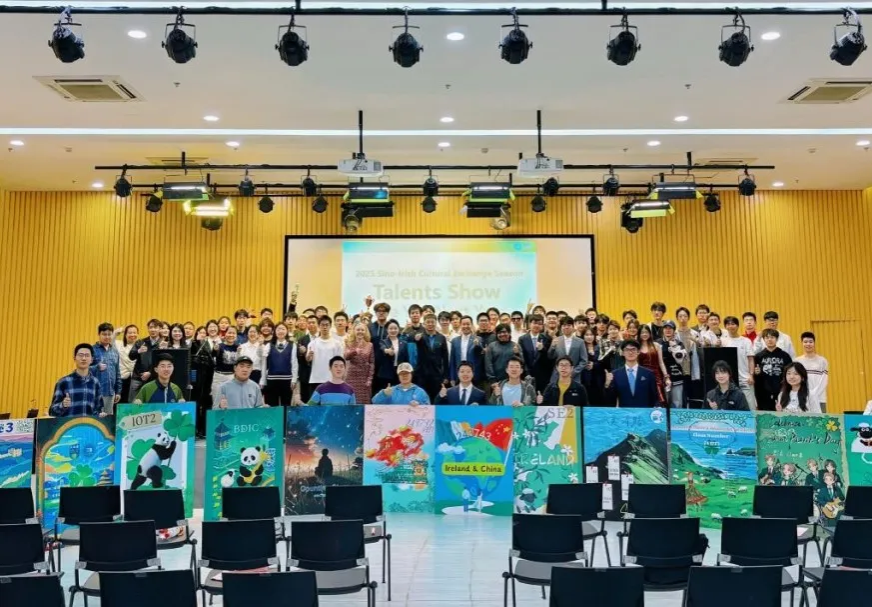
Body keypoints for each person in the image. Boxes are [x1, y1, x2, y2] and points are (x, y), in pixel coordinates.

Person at [50, 343, 104, 416]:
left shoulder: (95, 383)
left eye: (87, 355)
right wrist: (62, 405)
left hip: (89, 423)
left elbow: (98, 409)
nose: (84, 358)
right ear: (74, 358)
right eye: (80, 355)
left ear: (91, 360)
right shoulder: (63, 382)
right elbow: (52, 412)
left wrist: (101, 415)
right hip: (69, 423)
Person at [604, 340, 659, 407]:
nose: (630, 352)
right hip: (624, 412)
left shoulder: (648, 373)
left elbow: (655, 398)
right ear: (623, 353)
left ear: (638, 352)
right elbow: (610, 400)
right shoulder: (615, 374)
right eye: (627, 350)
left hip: (644, 411)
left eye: (633, 349)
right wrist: (607, 384)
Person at [721, 316, 757, 410]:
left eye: (733, 324)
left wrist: (751, 375)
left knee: (750, 405)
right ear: (725, 326)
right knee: (731, 405)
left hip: (745, 378)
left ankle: (751, 420)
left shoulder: (746, 341)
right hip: (729, 379)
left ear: (737, 326)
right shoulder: (722, 341)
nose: (731, 326)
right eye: (728, 324)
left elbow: (751, 359)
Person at [754, 329, 793, 411]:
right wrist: (756, 373)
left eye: (772, 337)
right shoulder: (758, 356)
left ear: (777, 339)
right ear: (763, 339)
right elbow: (754, 375)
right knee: (765, 415)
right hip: (763, 392)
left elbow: (790, 373)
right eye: (767, 337)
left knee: (782, 415)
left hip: (781, 391)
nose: (770, 340)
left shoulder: (785, 356)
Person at [306, 316, 345, 397]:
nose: (324, 327)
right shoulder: (313, 343)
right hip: (315, 379)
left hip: (332, 379)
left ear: (330, 326)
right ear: (319, 326)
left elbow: (340, 362)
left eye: (327, 325)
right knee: (315, 404)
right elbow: (308, 359)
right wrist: (309, 357)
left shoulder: (337, 343)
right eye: (322, 325)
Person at [261, 322, 298, 407]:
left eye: (283, 329)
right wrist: (263, 380)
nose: (281, 331)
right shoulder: (268, 345)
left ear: (287, 331)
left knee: (286, 407)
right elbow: (264, 364)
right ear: (274, 331)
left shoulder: (292, 345)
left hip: (287, 380)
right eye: (278, 329)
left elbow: (294, 363)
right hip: (271, 380)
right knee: (272, 407)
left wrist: (294, 379)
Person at [415, 313, 450, 401]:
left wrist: (446, 376)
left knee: (436, 399)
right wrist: (416, 339)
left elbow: (445, 358)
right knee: (422, 399)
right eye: (428, 322)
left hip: (437, 375)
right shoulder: (420, 337)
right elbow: (413, 340)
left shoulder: (441, 338)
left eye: (432, 322)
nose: (430, 324)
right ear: (424, 324)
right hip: (422, 375)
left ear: (436, 323)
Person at [128, 318, 162, 402]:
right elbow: (131, 356)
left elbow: (163, 362)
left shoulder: (163, 343)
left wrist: (150, 372)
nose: (153, 329)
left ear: (160, 329)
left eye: (155, 327)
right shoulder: (141, 342)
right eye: (150, 327)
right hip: (137, 378)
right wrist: (138, 351)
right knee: (133, 403)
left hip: (154, 378)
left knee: (151, 403)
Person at [795, 331, 829, 413]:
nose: (808, 344)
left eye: (810, 342)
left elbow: (824, 380)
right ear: (802, 343)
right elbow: (795, 380)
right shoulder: (797, 361)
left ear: (814, 343)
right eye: (805, 342)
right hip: (802, 397)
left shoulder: (822, 361)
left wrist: (814, 394)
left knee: (821, 420)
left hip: (819, 398)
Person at [518, 313, 553, 392]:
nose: (537, 325)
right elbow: (522, 358)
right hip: (527, 375)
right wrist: (527, 373)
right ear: (529, 324)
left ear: (542, 326)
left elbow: (549, 359)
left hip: (543, 375)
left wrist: (542, 349)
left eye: (539, 323)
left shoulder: (547, 339)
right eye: (534, 323)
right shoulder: (522, 339)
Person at [92, 322, 121, 413]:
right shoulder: (92, 350)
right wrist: (97, 367)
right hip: (95, 392)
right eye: (104, 334)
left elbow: (118, 373)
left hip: (110, 393)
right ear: (99, 334)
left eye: (109, 334)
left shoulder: (115, 351)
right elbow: (84, 370)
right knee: (95, 418)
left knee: (108, 419)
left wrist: (118, 392)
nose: (107, 337)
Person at [658, 321, 688, 409]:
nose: (668, 330)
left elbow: (681, 360)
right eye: (665, 328)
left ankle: (677, 419)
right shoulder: (657, 343)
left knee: (677, 404)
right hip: (662, 378)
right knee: (663, 404)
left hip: (677, 377)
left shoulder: (679, 343)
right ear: (662, 330)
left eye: (670, 328)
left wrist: (675, 348)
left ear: (674, 330)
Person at [548, 317, 587, 383]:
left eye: (569, 325)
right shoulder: (556, 340)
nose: (566, 327)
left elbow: (584, 361)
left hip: (574, 377)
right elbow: (550, 357)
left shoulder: (580, 342)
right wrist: (553, 347)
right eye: (564, 325)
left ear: (573, 327)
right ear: (561, 327)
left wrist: (573, 372)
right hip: (557, 376)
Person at [449, 316, 485, 387]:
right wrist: (452, 377)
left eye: (468, 324)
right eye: (463, 324)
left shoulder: (478, 339)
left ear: (471, 325)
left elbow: (481, 353)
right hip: (459, 374)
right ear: (460, 325)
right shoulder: (454, 341)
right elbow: (452, 361)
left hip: (474, 375)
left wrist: (477, 344)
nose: (466, 326)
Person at [638, 324, 669, 404]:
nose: (644, 334)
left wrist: (666, 377)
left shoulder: (656, 345)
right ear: (639, 334)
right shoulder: (637, 347)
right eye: (642, 332)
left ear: (650, 333)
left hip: (656, 376)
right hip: (642, 376)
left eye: (646, 332)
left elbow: (661, 363)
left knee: (659, 399)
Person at [345, 322, 374, 403]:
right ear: (354, 331)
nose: (360, 332)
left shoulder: (370, 345)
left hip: (364, 377)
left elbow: (372, 363)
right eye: (358, 330)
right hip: (351, 376)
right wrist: (354, 351)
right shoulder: (349, 343)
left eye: (362, 330)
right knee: (351, 400)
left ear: (365, 332)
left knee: (364, 401)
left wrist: (370, 379)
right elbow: (346, 356)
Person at [376, 320, 408, 391]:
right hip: (386, 374)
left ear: (398, 329)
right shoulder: (383, 341)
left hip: (399, 373)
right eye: (390, 328)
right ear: (387, 330)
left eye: (395, 328)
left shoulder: (404, 343)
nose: (393, 330)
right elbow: (382, 348)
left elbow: (406, 359)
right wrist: (387, 351)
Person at [211, 326, 239, 407]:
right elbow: (213, 354)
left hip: (232, 377)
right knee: (216, 403)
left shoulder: (238, 347)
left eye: (233, 333)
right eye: (229, 333)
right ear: (225, 334)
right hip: (218, 377)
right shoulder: (219, 346)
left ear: (236, 335)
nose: (231, 335)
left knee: (231, 403)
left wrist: (239, 352)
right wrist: (215, 349)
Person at [580, 328, 606, 404]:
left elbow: (604, 363)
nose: (589, 337)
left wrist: (594, 365)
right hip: (584, 379)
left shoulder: (599, 347)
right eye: (586, 335)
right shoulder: (580, 348)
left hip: (598, 379)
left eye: (591, 335)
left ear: (594, 336)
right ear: (583, 336)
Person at [116, 324, 138, 406]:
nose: (132, 335)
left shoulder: (141, 345)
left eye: (134, 332)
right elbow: (109, 341)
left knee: (132, 403)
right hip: (121, 378)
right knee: (119, 402)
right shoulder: (118, 344)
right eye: (130, 333)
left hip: (135, 379)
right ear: (125, 334)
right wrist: (116, 332)